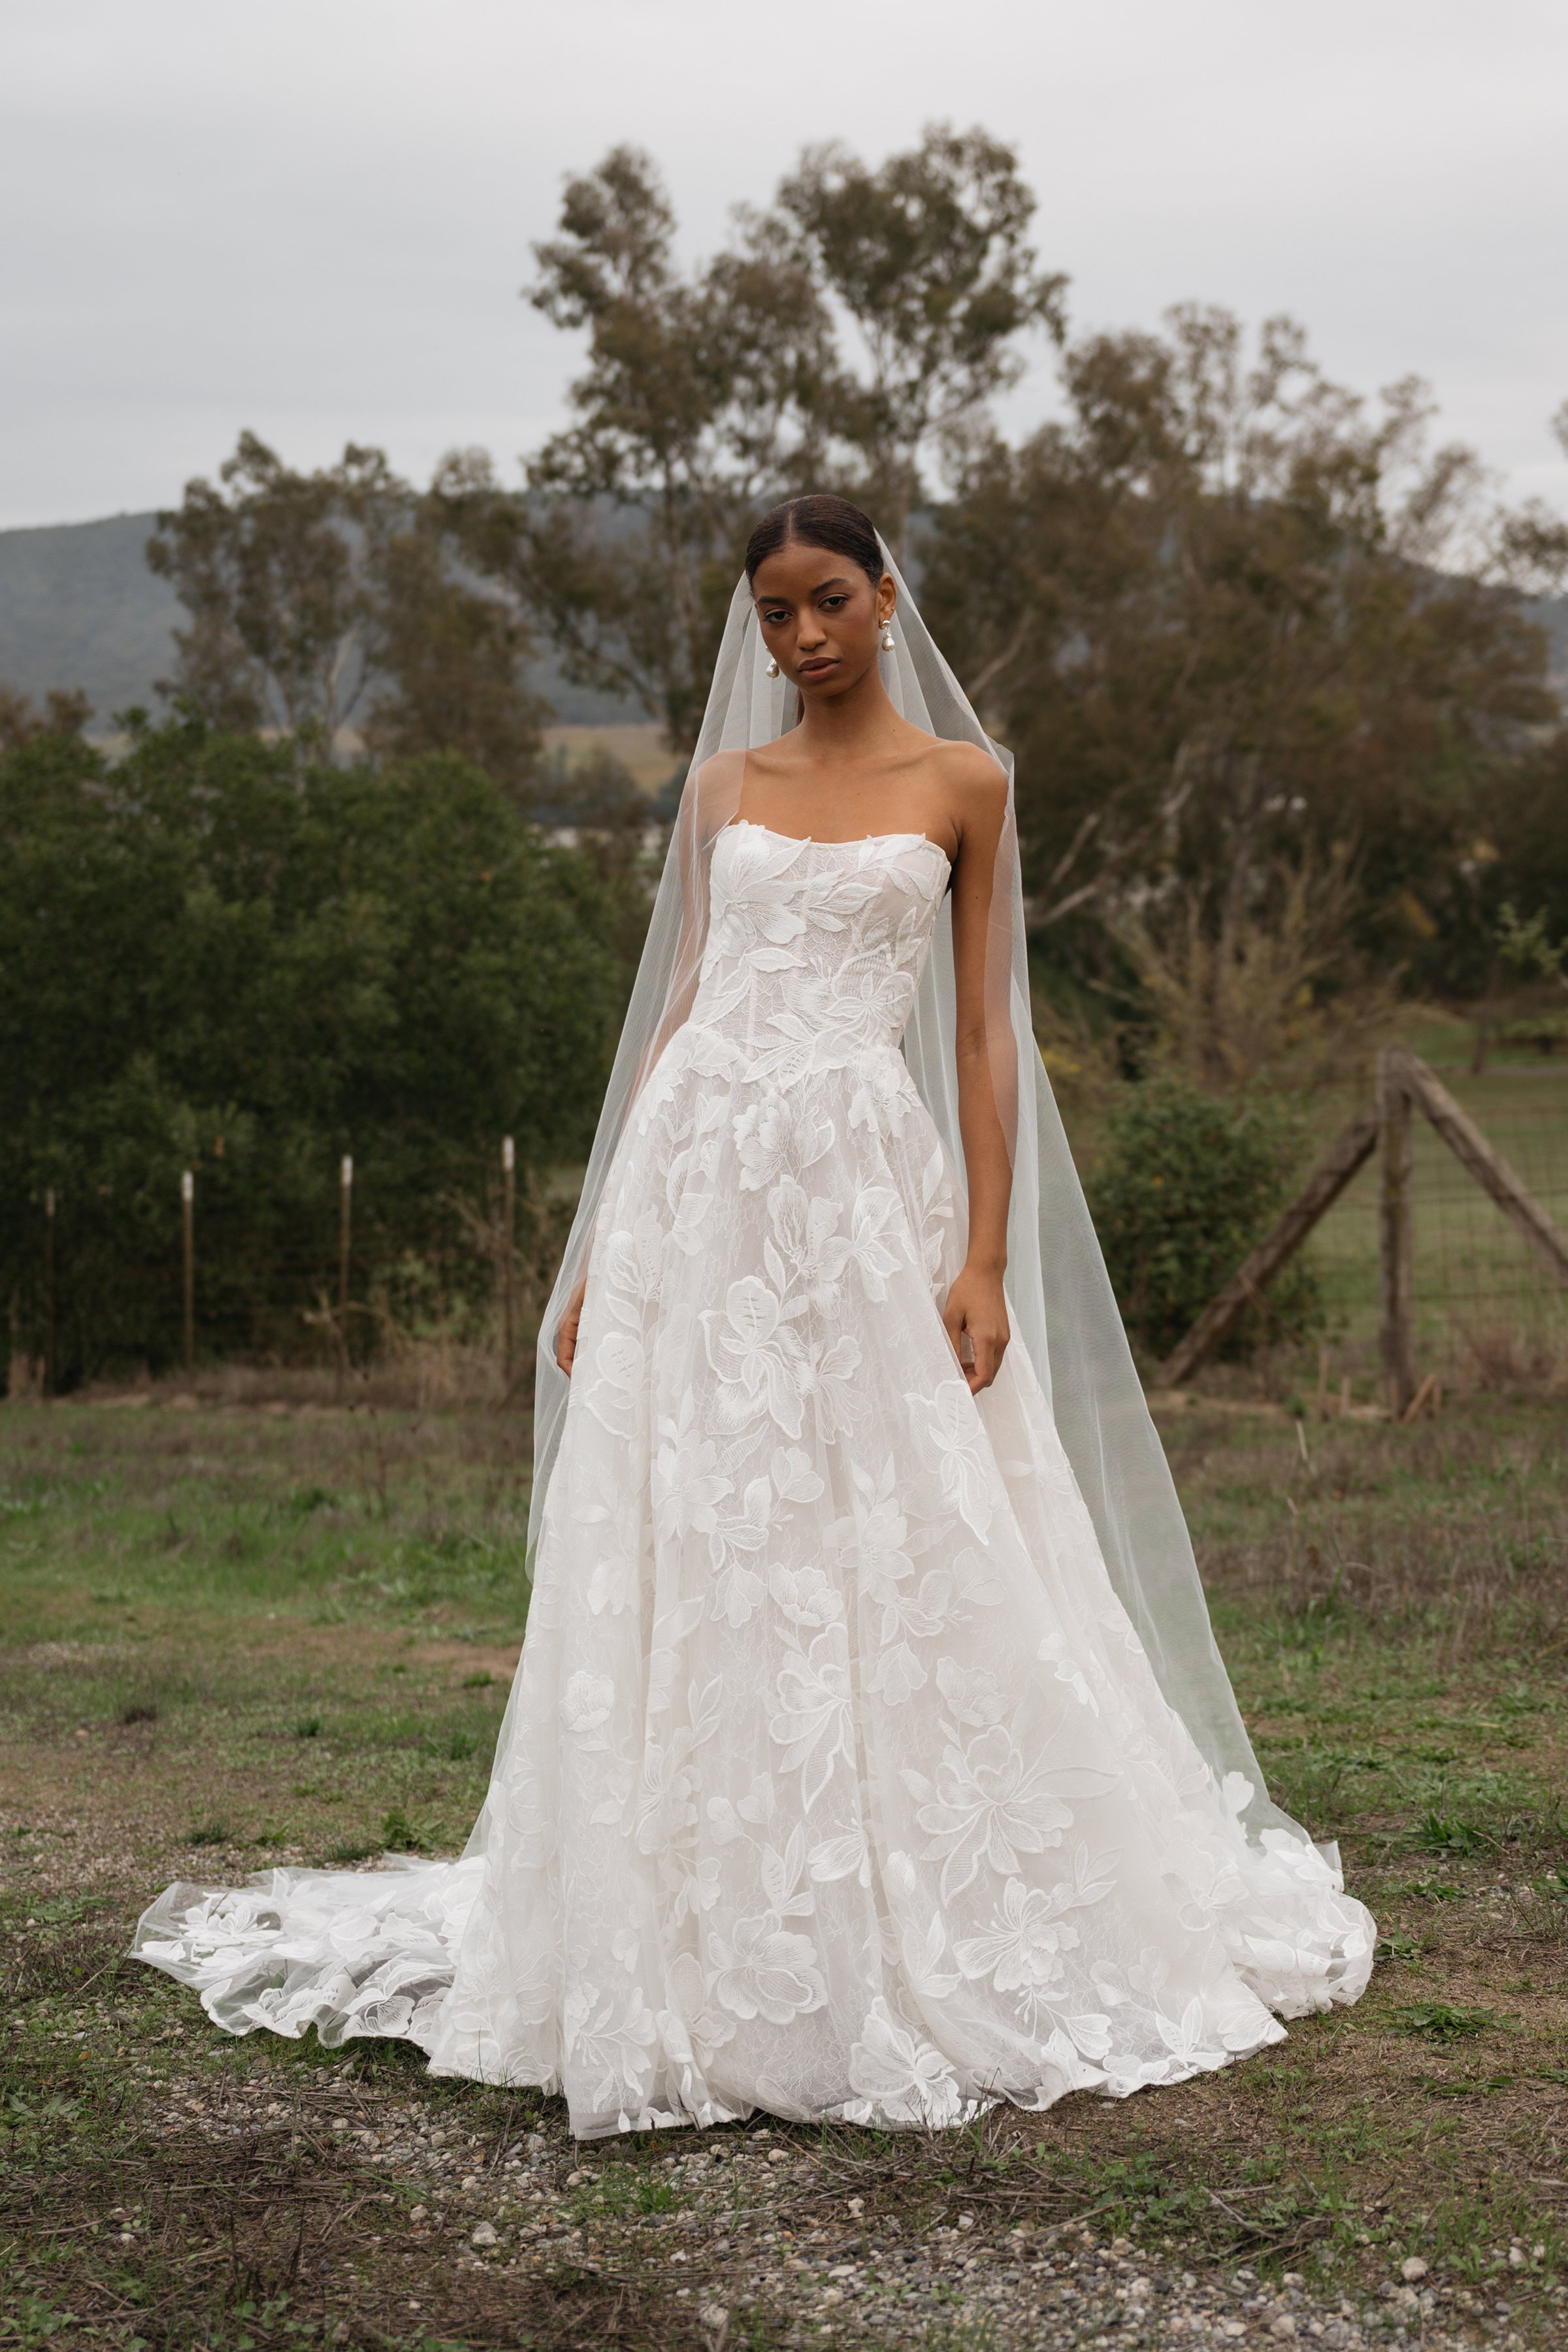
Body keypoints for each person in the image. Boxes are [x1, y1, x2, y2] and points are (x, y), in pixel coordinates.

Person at [135, 495, 1374, 2140]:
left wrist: (986, 1255)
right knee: (705, 1516)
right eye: (775, 614)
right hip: (699, 1186)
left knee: (904, 1514)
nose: (802, 639)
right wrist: (600, 1254)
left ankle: (908, 1896)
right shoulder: (720, 789)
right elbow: (682, 1018)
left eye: (829, 602)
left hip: (864, 1189)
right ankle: (695, 1908)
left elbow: (991, 1036)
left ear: (885, 598)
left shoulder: (965, 783)